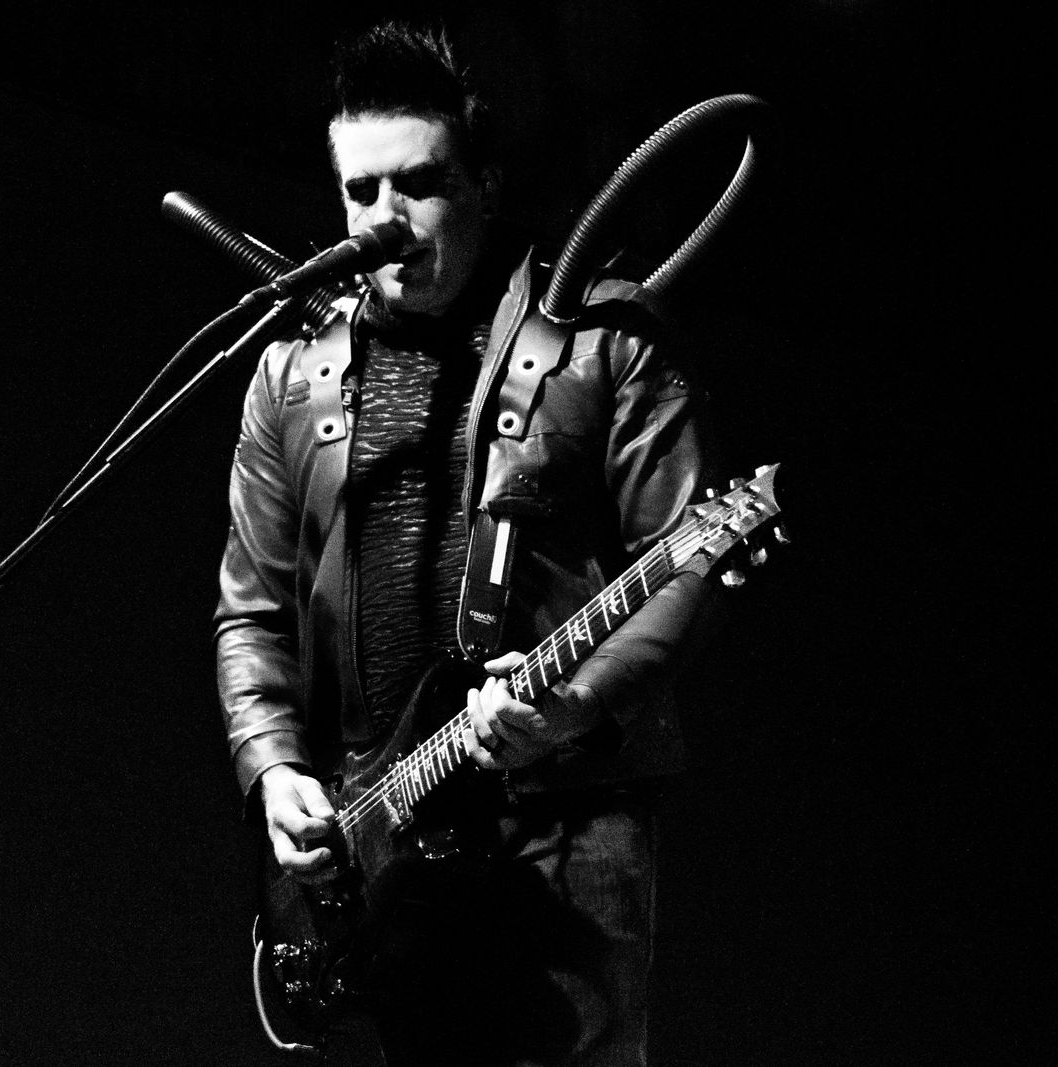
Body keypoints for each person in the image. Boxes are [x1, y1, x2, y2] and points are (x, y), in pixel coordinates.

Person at [214, 20, 718, 1066]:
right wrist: (273, 769)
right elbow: (250, 611)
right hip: (389, 833)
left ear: (483, 183)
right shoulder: (292, 375)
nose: (384, 218)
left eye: (418, 183)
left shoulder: (603, 336)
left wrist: (571, 706)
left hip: (565, 822)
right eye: (360, 191)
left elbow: (686, 558)